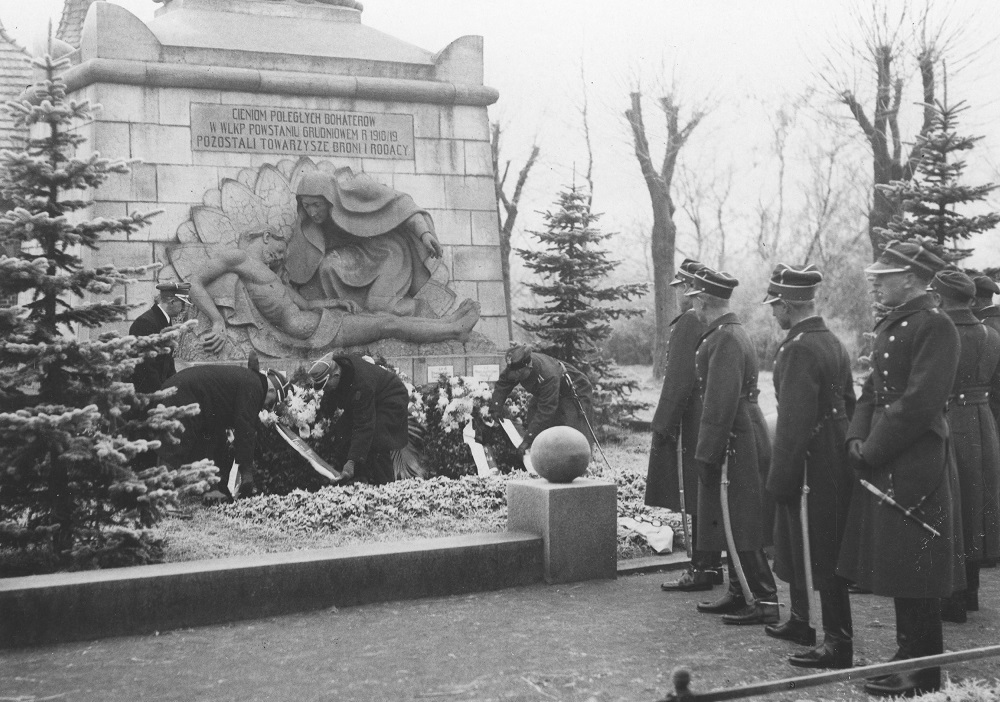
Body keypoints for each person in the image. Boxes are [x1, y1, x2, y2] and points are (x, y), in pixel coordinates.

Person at [836, 240, 963, 698]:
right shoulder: (898, 323)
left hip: (916, 458)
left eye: (884, 275)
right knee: (900, 559)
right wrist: (855, 437)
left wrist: (872, 449)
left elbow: (920, 402)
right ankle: (908, 653)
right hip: (891, 452)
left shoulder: (937, 325)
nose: (875, 281)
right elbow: (872, 389)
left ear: (909, 278)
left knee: (917, 561)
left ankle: (923, 669)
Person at [762, 264, 856, 670]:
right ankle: (802, 621)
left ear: (787, 304)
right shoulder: (830, 340)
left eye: (774, 306)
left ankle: (837, 643)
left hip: (809, 462)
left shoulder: (798, 347)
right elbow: (849, 404)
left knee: (819, 548)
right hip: (832, 453)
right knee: (808, 543)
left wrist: (781, 477)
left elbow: (794, 422)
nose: (772, 313)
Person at [187, 226, 481, 355]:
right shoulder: (238, 258)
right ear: (266, 236)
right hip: (313, 333)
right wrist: (215, 321)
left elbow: (302, 301)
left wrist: (334, 301)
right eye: (278, 250)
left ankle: (446, 324)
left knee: (383, 318)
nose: (278, 258)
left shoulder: (268, 275)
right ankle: (453, 330)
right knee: (387, 323)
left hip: (319, 322)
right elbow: (194, 283)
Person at [685, 268, 779, 626]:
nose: (691, 301)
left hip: (737, 434)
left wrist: (707, 452)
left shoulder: (724, 337)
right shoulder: (726, 332)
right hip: (740, 430)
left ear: (703, 299)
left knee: (742, 518)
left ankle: (765, 599)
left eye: (694, 296)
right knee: (733, 517)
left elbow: (720, 402)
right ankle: (742, 592)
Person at [928, 270, 1000, 624]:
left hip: (950, 419)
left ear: (939, 298)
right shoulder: (990, 333)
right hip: (983, 422)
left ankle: (953, 597)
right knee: (975, 506)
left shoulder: (941, 333)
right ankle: (969, 592)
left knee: (950, 505)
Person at [649, 259, 724, 592]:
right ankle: (708, 564)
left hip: (689, 420)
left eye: (682, 285)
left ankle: (702, 567)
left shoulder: (688, 322)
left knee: (696, 494)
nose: (678, 290)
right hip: (700, 414)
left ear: (692, 288)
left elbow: (678, 380)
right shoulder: (699, 319)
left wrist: (663, 424)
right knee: (701, 493)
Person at [287, 170, 444, 316]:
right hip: (357, 254)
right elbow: (301, 259)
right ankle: (352, 313)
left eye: (316, 205)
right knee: (328, 267)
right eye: (307, 206)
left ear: (329, 198)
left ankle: (421, 310)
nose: (312, 212)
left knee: (379, 306)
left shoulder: (357, 190)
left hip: (389, 252)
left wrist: (424, 234)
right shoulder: (310, 222)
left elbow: (403, 204)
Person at [157, 364, 290, 501]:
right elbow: (245, 429)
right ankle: (163, 499)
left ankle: (212, 490)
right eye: (270, 404)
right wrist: (247, 473)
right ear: (272, 391)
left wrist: (219, 488)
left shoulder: (250, 380)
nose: (265, 407)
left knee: (211, 441)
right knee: (176, 446)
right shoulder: (254, 386)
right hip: (182, 393)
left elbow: (217, 437)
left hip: (189, 395)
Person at [309, 353, 410, 485]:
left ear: (336, 375)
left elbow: (364, 425)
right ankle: (358, 480)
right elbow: (330, 397)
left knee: (377, 439)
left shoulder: (362, 384)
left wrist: (351, 462)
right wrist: (320, 418)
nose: (326, 390)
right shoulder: (340, 369)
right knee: (341, 431)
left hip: (391, 398)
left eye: (326, 385)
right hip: (372, 398)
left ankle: (386, 486)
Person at [489, 345, 594, 451]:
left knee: (571, 432)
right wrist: (496, 407)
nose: (515, 377)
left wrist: (528, 440)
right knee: (532, 417)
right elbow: (503, 384)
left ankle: (582, 462)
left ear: (529, 367)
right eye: (513, 372)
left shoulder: (548, 375)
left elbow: (546, 411)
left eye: (518, 373)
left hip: (573, 389)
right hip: (548, 392)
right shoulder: (517, 365)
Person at [129, 282, 191, 394]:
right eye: (183, 305)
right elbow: (145, 367)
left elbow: (168, 361)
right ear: (172, 302)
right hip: (147, 394)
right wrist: (159, 393)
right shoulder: (145, 322)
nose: (183, 310)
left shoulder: (163, 320)